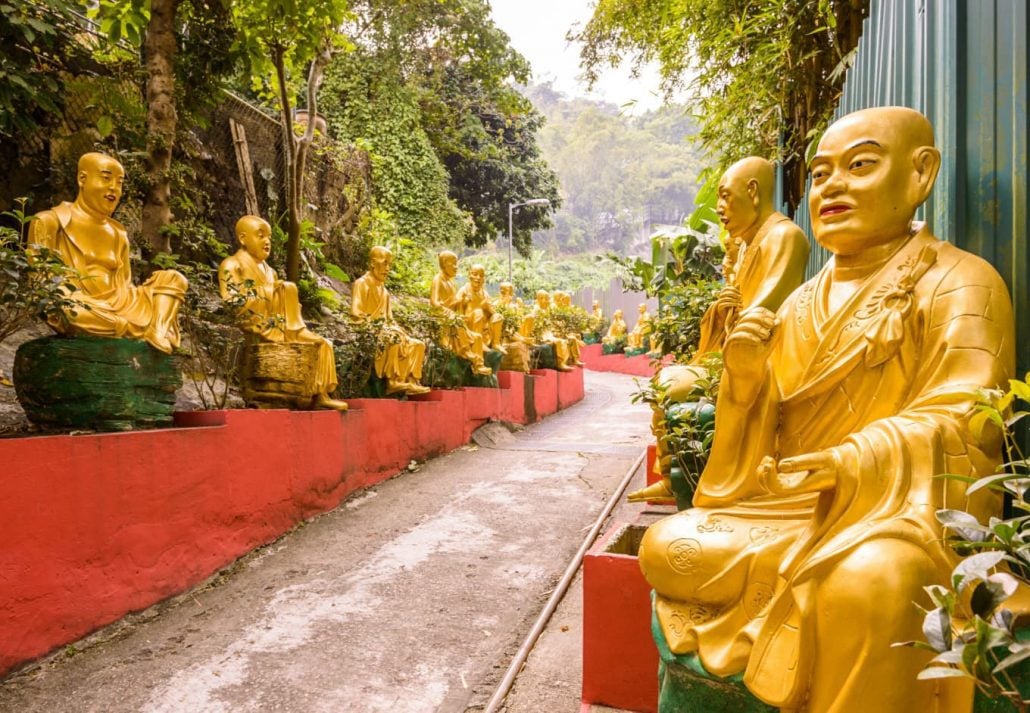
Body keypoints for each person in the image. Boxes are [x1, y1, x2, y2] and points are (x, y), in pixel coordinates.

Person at [639, 107, 1014, 712]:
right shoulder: (798, 305)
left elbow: (969, 416)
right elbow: (756, 457)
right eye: (820, 174)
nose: (832, 187)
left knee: (875, 584)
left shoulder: (962, 283)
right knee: (666, 545)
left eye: (860, 166)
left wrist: (854, 460)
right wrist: (742, 388)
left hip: (893, 516)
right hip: (786, 513)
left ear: (921, 174)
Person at [629, 157, 810, 503]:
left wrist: (737, 314)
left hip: (759, 364)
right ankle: (672, 477)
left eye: (726, 197)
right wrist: (721, 309)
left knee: (670, 383)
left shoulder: (785, 237)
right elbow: (736, 314)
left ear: (753, 192)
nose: (722, 210)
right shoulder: (747, 246)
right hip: (730, 352)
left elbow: (766, 311)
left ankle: (685, 481)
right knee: (665, 383)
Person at [29, 152, 187, 353]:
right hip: (80, 303)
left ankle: (156, 327)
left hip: (120, 303)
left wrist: (137, 301)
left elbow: (125, 284)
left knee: (173, 278)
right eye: (106, 178)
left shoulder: (117, 232)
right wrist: (76, 300)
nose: (114, 187)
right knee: (67, 310)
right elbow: (41, 283)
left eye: (119, 182)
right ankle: (140, 328)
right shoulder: (50, 222)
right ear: (82, 179)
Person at [218, 215, 347, 410]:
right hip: (259, 325)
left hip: (282, 325)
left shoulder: (271, 271)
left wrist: (280, 294)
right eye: (260, 236)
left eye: (269, 237)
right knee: (286, 288)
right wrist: (273, 293)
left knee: (323, 344)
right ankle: (294, 330)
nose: (267, 241)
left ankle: (320, 393)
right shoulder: (231, 265)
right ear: (243, 239)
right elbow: (233, 302)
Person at [351, 246, 430, 395]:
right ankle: (393, 381)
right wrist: (378, 326)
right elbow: (355, 312)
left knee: (417, 344)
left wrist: (399, 330)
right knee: (393, 338)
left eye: (389, 265)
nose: (387, 269)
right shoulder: (362, 284)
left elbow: (389, 319)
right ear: (373, 263)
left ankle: (411, 381)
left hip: (385, 330)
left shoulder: (384, 291)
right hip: (371, 331)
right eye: (384, 263)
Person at [429, 251, 492, 376]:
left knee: (478, 337)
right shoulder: (438, 279)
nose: (456, 267)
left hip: (454, 319)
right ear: (444, 264)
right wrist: (452, 309)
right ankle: (466, 349)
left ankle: (478, 365)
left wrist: (460, 303)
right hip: (444, 318)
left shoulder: (451, 283)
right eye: (453, 264)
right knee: (457, 319)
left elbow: (455, 305)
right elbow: (434, 303)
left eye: (456, 264)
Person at [455, 264, 506, 354]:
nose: (478, 278)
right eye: (475, 274)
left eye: (481, 275)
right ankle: (479, 342)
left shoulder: (485, 293)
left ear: (484, 279)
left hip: (483, 325)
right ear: (469, 275)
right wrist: (463, 302)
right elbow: (455, 308)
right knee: (478, 312)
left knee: (498, 316)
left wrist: (488, 307)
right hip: (469, 324)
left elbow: (492, 312)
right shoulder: (464, 290)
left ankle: (496, 343)